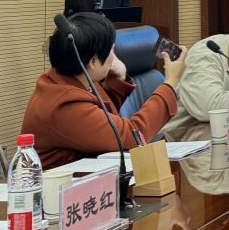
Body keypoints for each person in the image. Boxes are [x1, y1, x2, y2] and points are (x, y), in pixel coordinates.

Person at [22, 12, 187, 169]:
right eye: (112, 51)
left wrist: (118, 80)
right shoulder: (64, 104)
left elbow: (100, 121)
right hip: (62, 187)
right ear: (93, 61)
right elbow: (133, 136)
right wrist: (170, 83)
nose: (114, 57)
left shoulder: (70, 79)